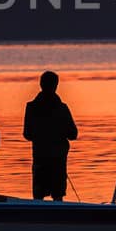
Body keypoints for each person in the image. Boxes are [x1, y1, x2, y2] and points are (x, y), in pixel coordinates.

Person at [23, 70, 78, 201]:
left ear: (41, 85)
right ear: (56, 86)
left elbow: (27, 134)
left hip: (40, 158)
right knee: (58, 196)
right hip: (57, 160)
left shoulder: (31, 107)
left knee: (38, 196)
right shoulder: (62, 108)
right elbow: (73, 134)